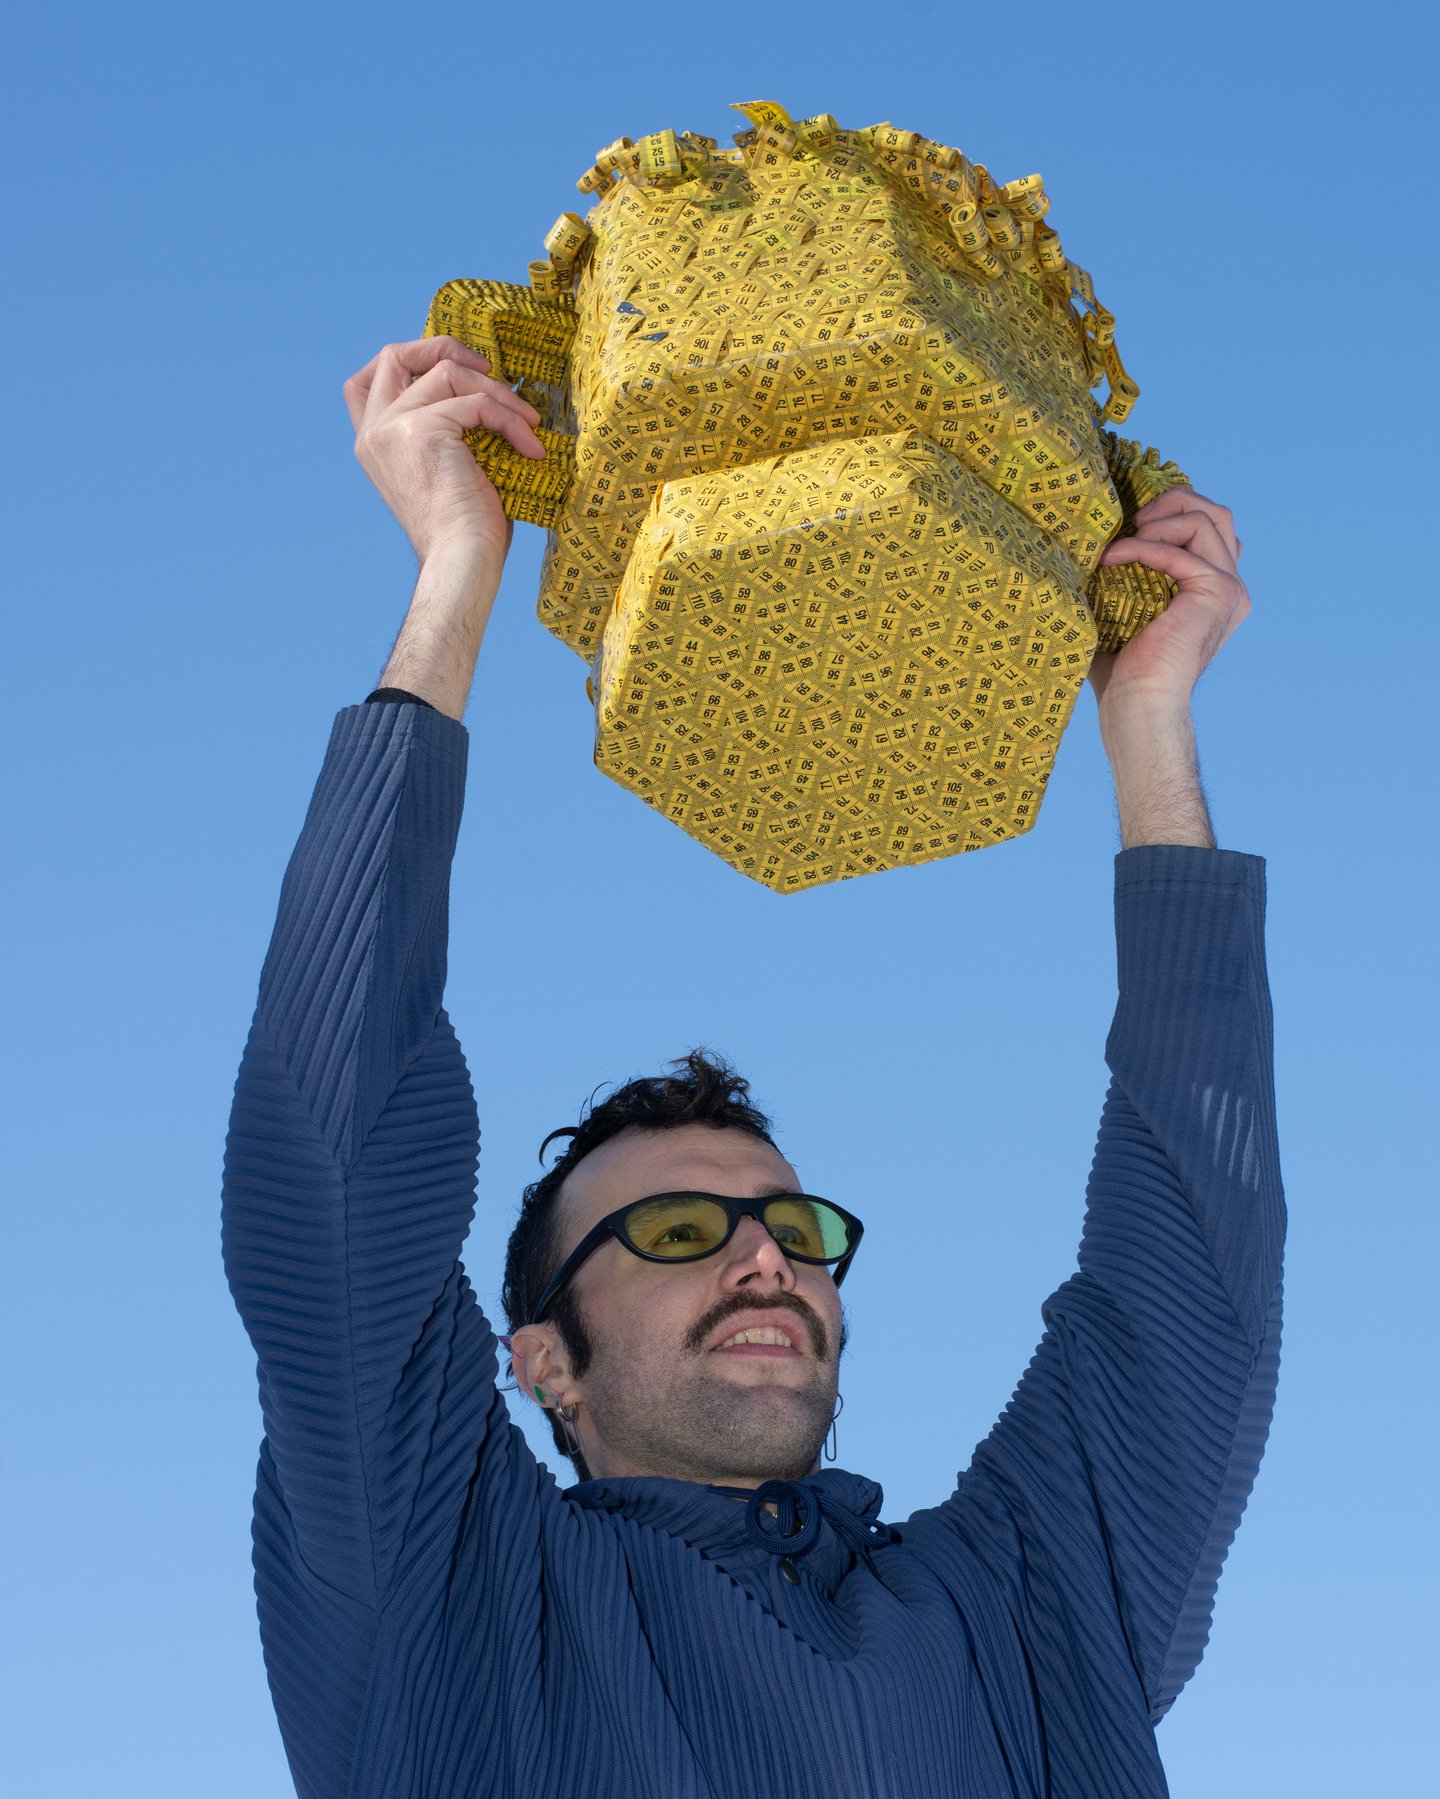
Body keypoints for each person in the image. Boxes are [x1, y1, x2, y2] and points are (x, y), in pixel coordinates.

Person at [223, 335, 1283, 1799]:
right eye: (676, 1232)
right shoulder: (447, 1588)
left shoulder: (1026, 1611)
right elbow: (334, 1157)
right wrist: (454, 574)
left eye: (792, 1229)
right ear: (543, 1364)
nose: (766, 1262)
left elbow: (1194, 1281)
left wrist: (1149, 724)